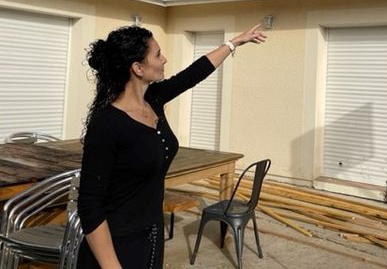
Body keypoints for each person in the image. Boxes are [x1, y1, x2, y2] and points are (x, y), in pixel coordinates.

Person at [77, 23, 266, 268]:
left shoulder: (153, 99)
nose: (164, 59)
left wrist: (234, 43)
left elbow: (193, 74)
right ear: (137, 68)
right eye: (157, 54)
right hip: (117, 244)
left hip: (152, 233)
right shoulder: (107, 124)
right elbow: (90, 205)